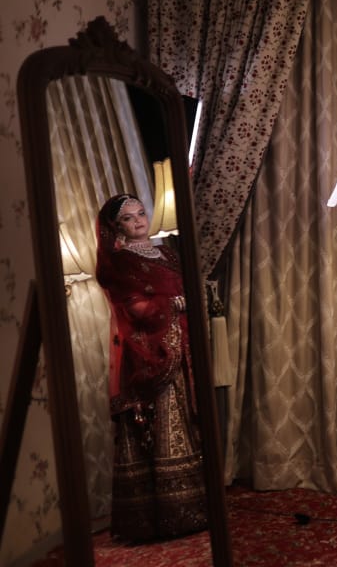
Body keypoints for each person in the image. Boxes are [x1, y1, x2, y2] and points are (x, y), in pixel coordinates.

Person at [95, 193, 207, 541]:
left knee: (188, 420)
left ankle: (194, 507)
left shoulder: (167, 254)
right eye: (128, 218)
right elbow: (134, 306)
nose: (139, 221)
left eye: (141, 213)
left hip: (181, 346)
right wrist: (172, 305)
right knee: (160, 423)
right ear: (117, 228)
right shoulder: (119, 262)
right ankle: (163, 514)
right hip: (150, 353)